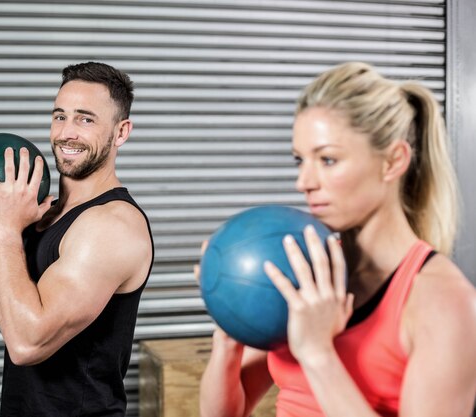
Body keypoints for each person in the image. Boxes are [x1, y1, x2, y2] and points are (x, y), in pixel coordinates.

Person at [198, 62, 476, 417]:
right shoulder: (305, 268)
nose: (304, 182)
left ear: (393, 161)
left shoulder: (443, 302)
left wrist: (318, 354)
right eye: (300, 160)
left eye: (328, 159)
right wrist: (228, 329)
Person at [0, 62, 154, 416]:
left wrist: (8, 230)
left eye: (85, 119)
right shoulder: (40, 214)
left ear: (121, 132)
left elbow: (28, 343)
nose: (67, 133)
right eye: (60, 116)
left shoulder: (112, 225)